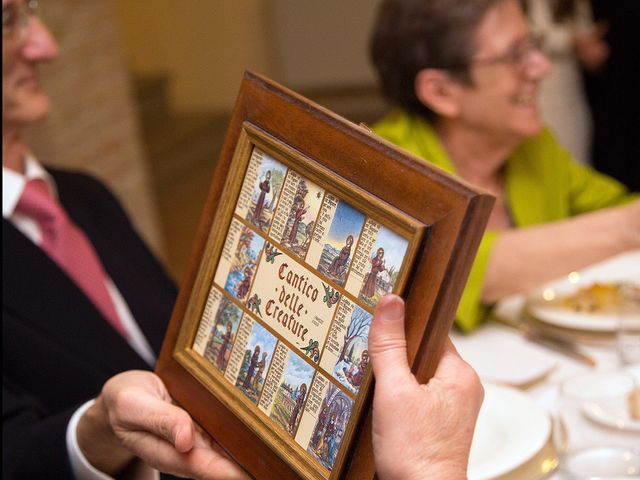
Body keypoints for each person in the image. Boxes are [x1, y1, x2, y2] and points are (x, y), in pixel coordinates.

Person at [3, 1, 482, 478]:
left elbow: (191, 334)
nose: (47, 46)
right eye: (7, 19)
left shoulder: (86, 195)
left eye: (32, 10)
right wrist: (95, 432)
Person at [370, 0, 640, 331]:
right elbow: (456, 264)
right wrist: (627, 229)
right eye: (515, 55)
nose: (542, 67)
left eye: (533, 45)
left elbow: (616, 206)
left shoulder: (532, 148)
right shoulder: (383, 165)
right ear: (441, 91)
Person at [524, 0, 608, 165]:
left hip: (570, 96)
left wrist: (591, 49)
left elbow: (585, 31)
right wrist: (570, 40)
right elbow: (527, 35)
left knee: (575, 159)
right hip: (537, 96)